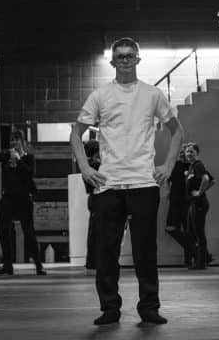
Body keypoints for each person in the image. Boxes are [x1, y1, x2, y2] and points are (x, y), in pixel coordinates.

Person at [70, 37, 184, 325]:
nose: (124, 60)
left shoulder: (152, 94)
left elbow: (177, 131)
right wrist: (85, 167)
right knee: (106, 250)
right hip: (108, 184)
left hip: (144, 183)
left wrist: (167, 165)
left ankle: (149, 308)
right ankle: (110, 308)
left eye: (129, 55)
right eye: (119, 56)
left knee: (146, 249)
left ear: (137, 59)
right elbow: (76, 133)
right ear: (113, 62)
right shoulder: (100, 96)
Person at [0, 131, 46, 276]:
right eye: (12, 140)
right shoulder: (7, 155)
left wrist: (18, 160)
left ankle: (39, 265)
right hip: (8, 198)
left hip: (24, 199)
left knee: (29, 232)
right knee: (2, 230)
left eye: (16, 140)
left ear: (22, 141)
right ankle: (8, 266)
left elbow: (29, 174)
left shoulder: (29, 158)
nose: (14, 142)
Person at [184, 142, 214, 270]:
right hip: (194, 204)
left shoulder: (198, 165)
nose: (188, 154)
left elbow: (207, 179)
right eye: (187, 152)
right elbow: (213, 180)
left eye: (191, 151)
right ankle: (201, 259)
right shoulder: (192, 166)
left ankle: (201, 263)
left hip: (199, 204)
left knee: (199, 233)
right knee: (191, 232)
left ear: (197, 153)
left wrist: (200, 192)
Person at [165, 143, 191, 266]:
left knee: (188, 231)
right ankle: (196, 251)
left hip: (187, 202)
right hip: (175, 201)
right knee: (170, 228)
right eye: (180, 153)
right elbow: (168, 181)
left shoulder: (191, 166)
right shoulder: (174, 165)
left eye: (183, 153)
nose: (181, 155)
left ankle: (189, 259)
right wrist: (169, 192)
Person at [83, 139, 101, 272]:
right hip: (97, 198)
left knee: (93, 231)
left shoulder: (87, 165)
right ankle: (93, 261)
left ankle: (91, 260)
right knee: (96, 231)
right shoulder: (95, 165)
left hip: (92, 198)